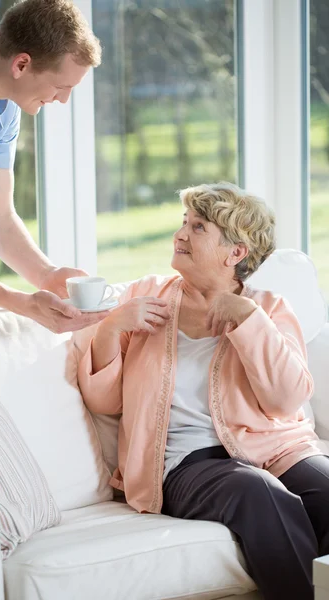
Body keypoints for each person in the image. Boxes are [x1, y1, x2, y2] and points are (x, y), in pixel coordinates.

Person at [76, 182, 328, 600]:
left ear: (236, 253)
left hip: (276, 449)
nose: (180, 235)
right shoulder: (145, 296)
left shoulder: (269, 309)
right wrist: (111, 328)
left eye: (198, 227)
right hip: (182, 462)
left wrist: (248, 320)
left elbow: (285, 401)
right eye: (183, 223)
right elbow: (105, 402)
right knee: (256, 491)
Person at [0, 0, 107, 333]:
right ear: (21, 64)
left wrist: (46, 275)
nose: (63, 100)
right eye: (60, 87)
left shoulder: (6, 104)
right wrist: (19, 302)